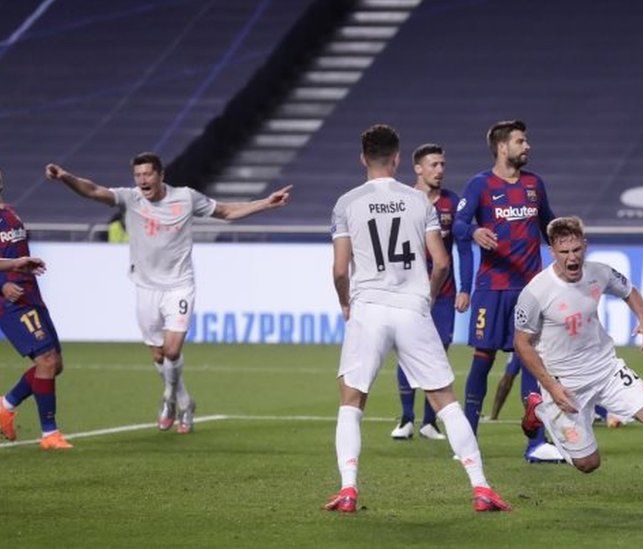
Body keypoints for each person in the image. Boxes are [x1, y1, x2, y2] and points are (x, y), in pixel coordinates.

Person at [324, 124, 510, 513]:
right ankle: (481, 487)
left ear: (362, 158)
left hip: (369, 308)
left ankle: (348, 489)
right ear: (396, 159)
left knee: (351, 401)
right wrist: (427, 297)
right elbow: (441, 262)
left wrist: (345, 303)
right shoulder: (418, 201)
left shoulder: (347, 203)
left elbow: (340, 270)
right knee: (445, 400)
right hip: (412, 307)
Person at [45, 154, 292, 434]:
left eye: (147, 174)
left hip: (179, 286)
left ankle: (168, 398)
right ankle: (185, 402)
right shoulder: (130, 198)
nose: (142, 180)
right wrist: (65, 177)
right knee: (158, 356)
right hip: (146, 287)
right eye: (138, 175)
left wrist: (266, 203)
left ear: (161, 175)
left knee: (172, 350)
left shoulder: (186, 198)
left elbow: (225, 212)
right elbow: (92, 190)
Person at [516, 216, 643, 507]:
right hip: (564, 383)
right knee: (588, 464)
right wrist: (551, 387)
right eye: (564, 251)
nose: (572, 258)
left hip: (606, 369)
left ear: (585, 246)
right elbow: (522, 343)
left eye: (576, 250)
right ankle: (540, 410)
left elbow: (629, 290)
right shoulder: (536, 292)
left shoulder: (600, 272)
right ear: (552, 251)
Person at [453, 119, 563, 462]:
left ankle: (536, 443)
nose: (527, 146)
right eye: (520, 141)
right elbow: (458, 223)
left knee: (531, 361)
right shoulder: (480, 184)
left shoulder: (534, 184)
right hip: (492, 289)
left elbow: (549, 226)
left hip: (530, 290)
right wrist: (474, 232)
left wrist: (566, 246)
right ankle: (467, 440)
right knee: (482, 360)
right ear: (503, 147)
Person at [390, 144, 472, 441]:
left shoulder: (453, 202)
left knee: (437, 353)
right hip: (409, 291)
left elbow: (464, 249)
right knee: (407, 350)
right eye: (433, 165)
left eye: (442, 165)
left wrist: (466, 288)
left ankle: (429, 422)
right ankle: (406, 418)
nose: (439, 170)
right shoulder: (402, 201)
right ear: (418, 169)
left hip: (444, 292)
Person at [0, 168, 72, 450]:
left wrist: (26, 266)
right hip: (11, 300)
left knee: (55, 365)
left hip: (31, 294)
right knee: (46, 360)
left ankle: (5, 407)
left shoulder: (10, 212)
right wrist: (2, 285)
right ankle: (49, 434)